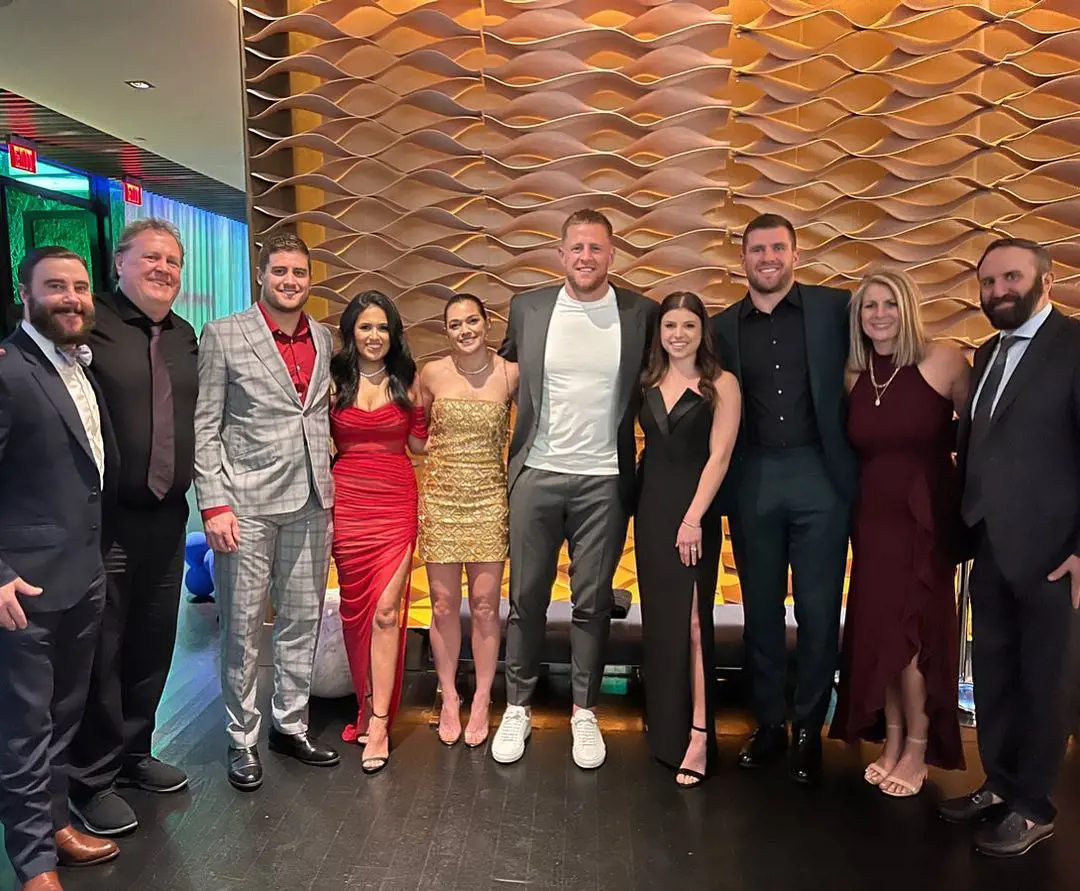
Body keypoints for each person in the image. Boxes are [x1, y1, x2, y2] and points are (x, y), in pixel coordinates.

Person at [492, 208, 658, 769]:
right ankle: (517, 705)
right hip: (536, 474)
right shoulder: (528, 308)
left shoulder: (641, 314)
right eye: (577, 248)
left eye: (597, 248)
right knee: (527, 599)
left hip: (605, 480)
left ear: (613, 254)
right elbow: (499, 377)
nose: (586, 257)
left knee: (591, 602)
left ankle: (585, 712)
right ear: (560, 254)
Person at [938, 238, 1080, 857]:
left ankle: (1034, 804)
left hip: (1056, 552)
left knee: (1045, 681)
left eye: (1010, 278)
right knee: (993, 671)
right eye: (988, 282)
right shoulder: (989, 350)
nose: (998, 291)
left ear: (1045, 280)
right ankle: (998, 782)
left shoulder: (1075, 347)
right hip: (990, 544)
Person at [712, 213, 857, 785]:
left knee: (820, 612)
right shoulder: (721, 327)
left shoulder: (836, 309)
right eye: (756, 249)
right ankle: (769, 724)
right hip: (753, 479)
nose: (766, 257)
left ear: (796, 254)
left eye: (777, 247)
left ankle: (808, 729)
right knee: (761, 612)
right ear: (742, 259)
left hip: (821, 476)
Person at [67, 218, 199, 837]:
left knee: (153, 639)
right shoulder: (87, 326)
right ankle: (90, 778)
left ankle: (134, 754)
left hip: (169, 517)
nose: (164, 269)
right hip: (108, 521)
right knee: (104, 646)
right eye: (151, 257)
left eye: (173, 261)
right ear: (118, 263)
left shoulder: (184, 337)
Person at [194, 232, 339, 792]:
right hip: (245, 507)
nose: (289, 281)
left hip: (312, 501)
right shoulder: (224, 335)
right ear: (261, 275)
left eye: (299, 272)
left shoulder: (324, 338)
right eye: (279, 271)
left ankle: (290, 725)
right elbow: (205, 428)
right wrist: (213, 504)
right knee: (243, 628)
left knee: (302, 620)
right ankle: (242, 738)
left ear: (309, 278)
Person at [0, 247, 120, 890]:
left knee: (63, 717)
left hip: (82, 576)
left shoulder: (79, 367)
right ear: (26, 293)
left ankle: (52, 826)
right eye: (55, 287)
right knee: (25, 727)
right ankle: (33, 863)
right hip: (22, 586)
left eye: (79, 287)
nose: (71, 298)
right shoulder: (9, 370)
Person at [828, 268, 970, 797]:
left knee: (913, 638)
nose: (879, 314)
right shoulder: (853, 373)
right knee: (878, 631)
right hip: (871, 520)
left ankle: (918, 746)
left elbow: (981, 437)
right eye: (869, 306)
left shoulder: (947, 360)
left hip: (924, 518)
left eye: (888, 304)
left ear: (907, 307)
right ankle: (890, 740)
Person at [635, 291, 740, 786]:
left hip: (693, 513)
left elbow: (719, 459)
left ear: (703, 332)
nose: (678, 334)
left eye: (688, 326)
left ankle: (699, 733)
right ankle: (667, 731)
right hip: (652, 509)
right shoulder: (647, 380)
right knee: (662, 621)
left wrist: (694, 518)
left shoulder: (722, 384)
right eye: (670, 325)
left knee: (697, 621)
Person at [330, 290, 428, 774]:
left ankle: (382, 723)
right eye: (366, 327)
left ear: (394, 334)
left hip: (395, 502)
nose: (374, 336)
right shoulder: (332, 383)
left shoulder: (409, 382)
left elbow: (418, 445)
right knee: (357, 613)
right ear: (352, 332)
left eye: (383, 328)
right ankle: (364, 707)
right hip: (346, 504)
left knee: (388, 612)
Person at [418, 294, 517, 748]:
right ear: (446, 330)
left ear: (487, 322)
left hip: (488, 498)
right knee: (441, 604)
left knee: (484, 605)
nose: (464, 330)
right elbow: (416, 435)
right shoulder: (432, 373)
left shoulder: (510, 374)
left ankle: (481, 697)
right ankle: (450, 696)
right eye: (455, 324)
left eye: (472, 321)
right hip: (440, 500)